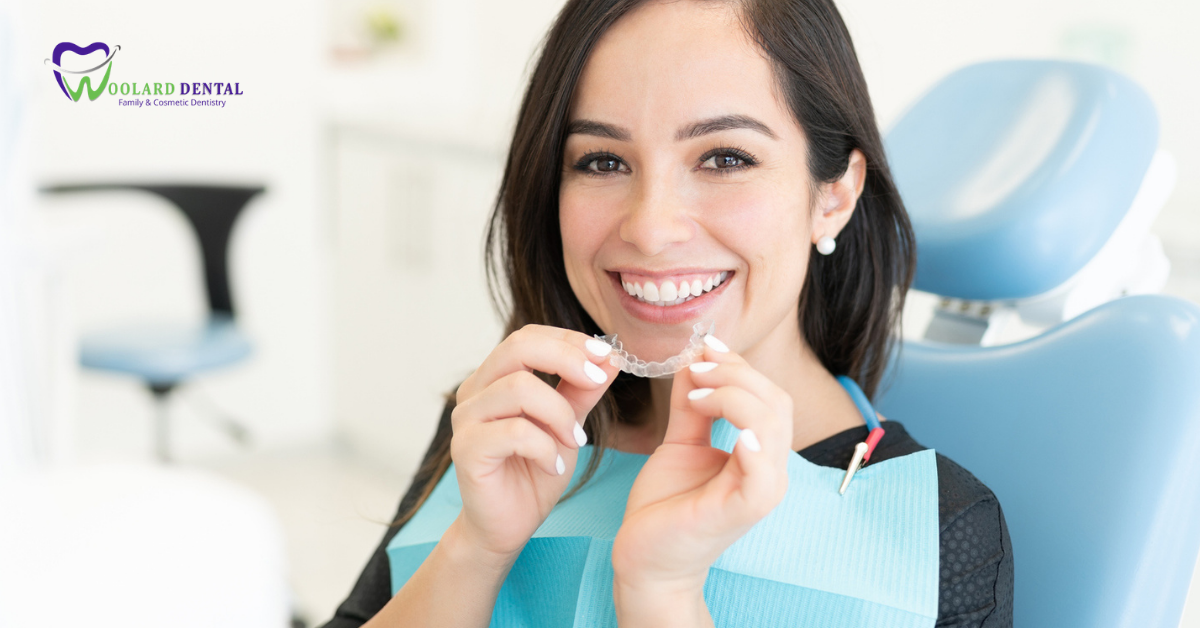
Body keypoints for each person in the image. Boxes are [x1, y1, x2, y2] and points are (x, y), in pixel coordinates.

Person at [321, 0, 1013, 626]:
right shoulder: (506, 420)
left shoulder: (941, 526)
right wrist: (475, 549)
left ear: (832, 195)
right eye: (600, 162)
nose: (650, 229)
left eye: (725, 157)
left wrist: (661, 593)